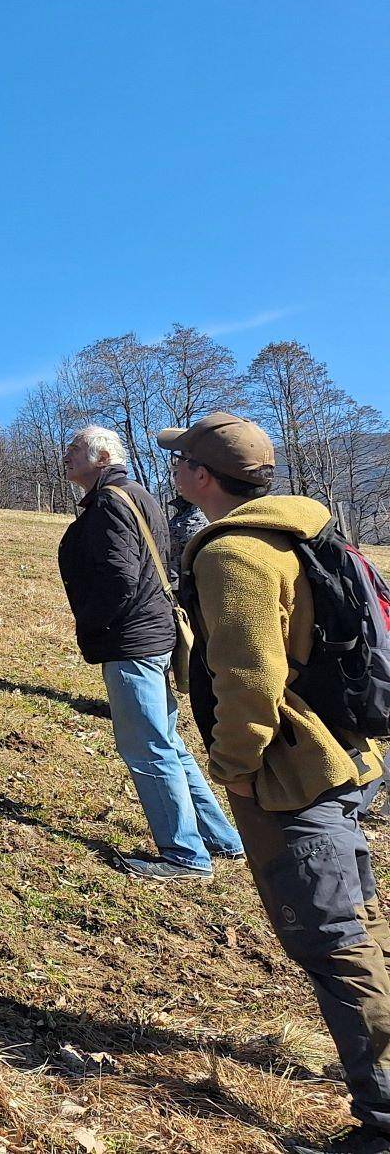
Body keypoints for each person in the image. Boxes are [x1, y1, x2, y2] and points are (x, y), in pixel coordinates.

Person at [168, 413, 390, 1145]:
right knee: (356, 928)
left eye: (181, 461)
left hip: (293, 777)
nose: (173, 469)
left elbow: (249, 682)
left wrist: (234, 772)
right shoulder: (307, 530)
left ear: (203, 476)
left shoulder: (235, 555)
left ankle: (383, 1121)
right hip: (347, 758)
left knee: (332, 941)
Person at [57, 424, 242, 879]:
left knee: (147, 748)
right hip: (154, 635)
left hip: (133, 640)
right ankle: (222, 839)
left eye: (75, 449)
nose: (67, 456)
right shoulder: (136, 494)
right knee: (169, 744)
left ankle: (185, 856)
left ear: (102, 458)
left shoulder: (108, 503)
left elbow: (119, 578)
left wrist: (93, 623)